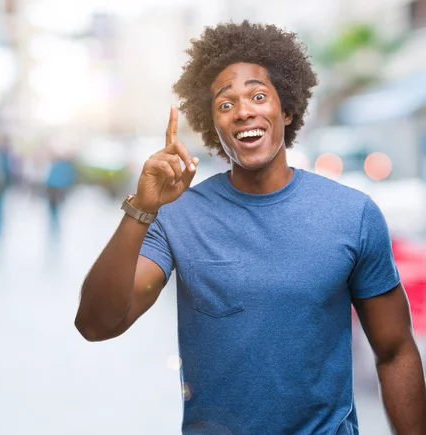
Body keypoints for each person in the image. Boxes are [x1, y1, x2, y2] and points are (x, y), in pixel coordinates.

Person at [74, 21, 426, 434]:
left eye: (259, 96)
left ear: (287, 109)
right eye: (226, 104)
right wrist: (141, 208)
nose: (243, 111)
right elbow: (96, 324)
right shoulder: (178, 216)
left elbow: (396, 350)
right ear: (213, 126)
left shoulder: (353, 214)